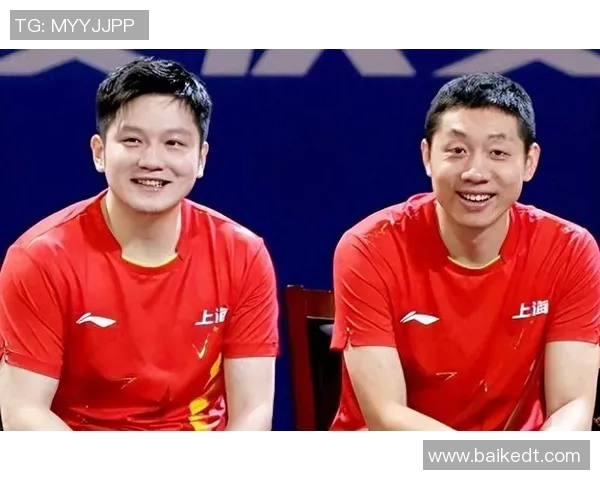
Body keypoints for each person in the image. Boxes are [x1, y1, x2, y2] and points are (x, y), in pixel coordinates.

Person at [0, 57, 279, 431]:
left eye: (173, 143)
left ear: (201, 158)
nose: (152, 161)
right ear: (99, 152)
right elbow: (23, 411)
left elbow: (253, 411)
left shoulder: (242, 254)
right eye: (132, 140)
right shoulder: (40, 258)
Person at [329, 72, 600, 431]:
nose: (475, 172)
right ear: (427, 156)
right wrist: (488, 460)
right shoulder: (368, 247)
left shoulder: (569, 249)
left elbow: (572, 406)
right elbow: (386, 415)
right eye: (457, 151)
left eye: (498, 153)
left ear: (529, 162)